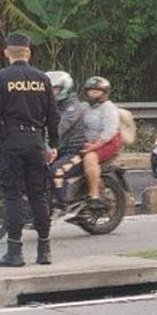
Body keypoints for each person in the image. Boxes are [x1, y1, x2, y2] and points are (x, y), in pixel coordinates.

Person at [0, 33, 60, 267]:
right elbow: (53, 116)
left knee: (13, 195)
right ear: (28, 53)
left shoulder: (2, 78)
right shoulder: (42, 79)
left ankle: (14, 252)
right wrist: (53, 145)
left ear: (7, 52)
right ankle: (44, 251)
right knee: (38, 195)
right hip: (36, 142)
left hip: (11, 142)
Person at [45, 71, 87, 210]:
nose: (52, 92)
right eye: (49, 89)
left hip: (75, 151)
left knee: (56, 171)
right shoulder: (52, 105)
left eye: (55, 89)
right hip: (60, 150)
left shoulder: (73, 107)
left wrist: (45, 140)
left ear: (65, 88)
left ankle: (62, 206)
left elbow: (59, 128)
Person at [79, 76, 122, 211]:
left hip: (107, 142)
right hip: (88, 142)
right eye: (91, 90)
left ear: (104, 93)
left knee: (90, 158)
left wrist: (94, 146)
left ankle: (94, 196)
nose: (93, 93)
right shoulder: (84, 107)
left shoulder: (108, 108)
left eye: (97, 91)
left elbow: (109, 132)